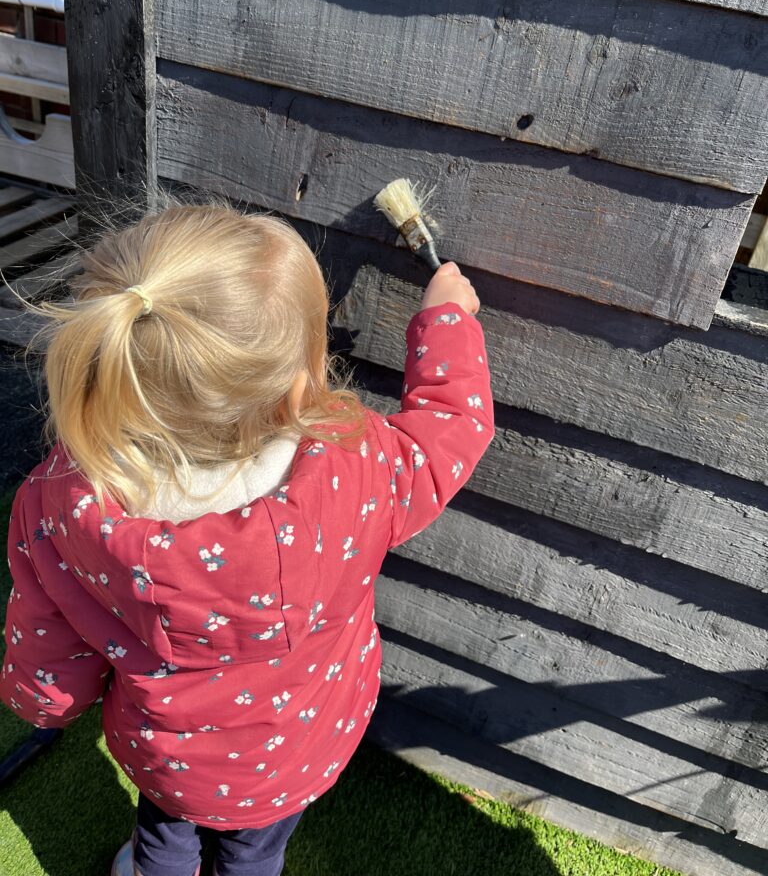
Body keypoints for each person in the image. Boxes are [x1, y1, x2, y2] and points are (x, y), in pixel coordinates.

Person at [0, 201, 494, 876]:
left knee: (163, 839)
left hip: (166, 759)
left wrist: (42, 704)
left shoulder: (61, 502)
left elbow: (47, 637)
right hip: (300, 748)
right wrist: (447, 320)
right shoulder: (358, 467)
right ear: (296, 388)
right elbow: (448, 431)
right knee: (254, 855)